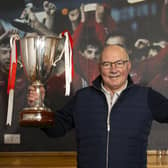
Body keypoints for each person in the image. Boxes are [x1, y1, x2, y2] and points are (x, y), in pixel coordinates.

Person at [27, 44, 168, 168]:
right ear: (99, 68)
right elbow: (56, 129)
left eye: (119, 63)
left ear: (128, 66)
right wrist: (40, 105)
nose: (114, 69)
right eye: (107, 64)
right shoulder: (82, 98)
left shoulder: (146, 96)